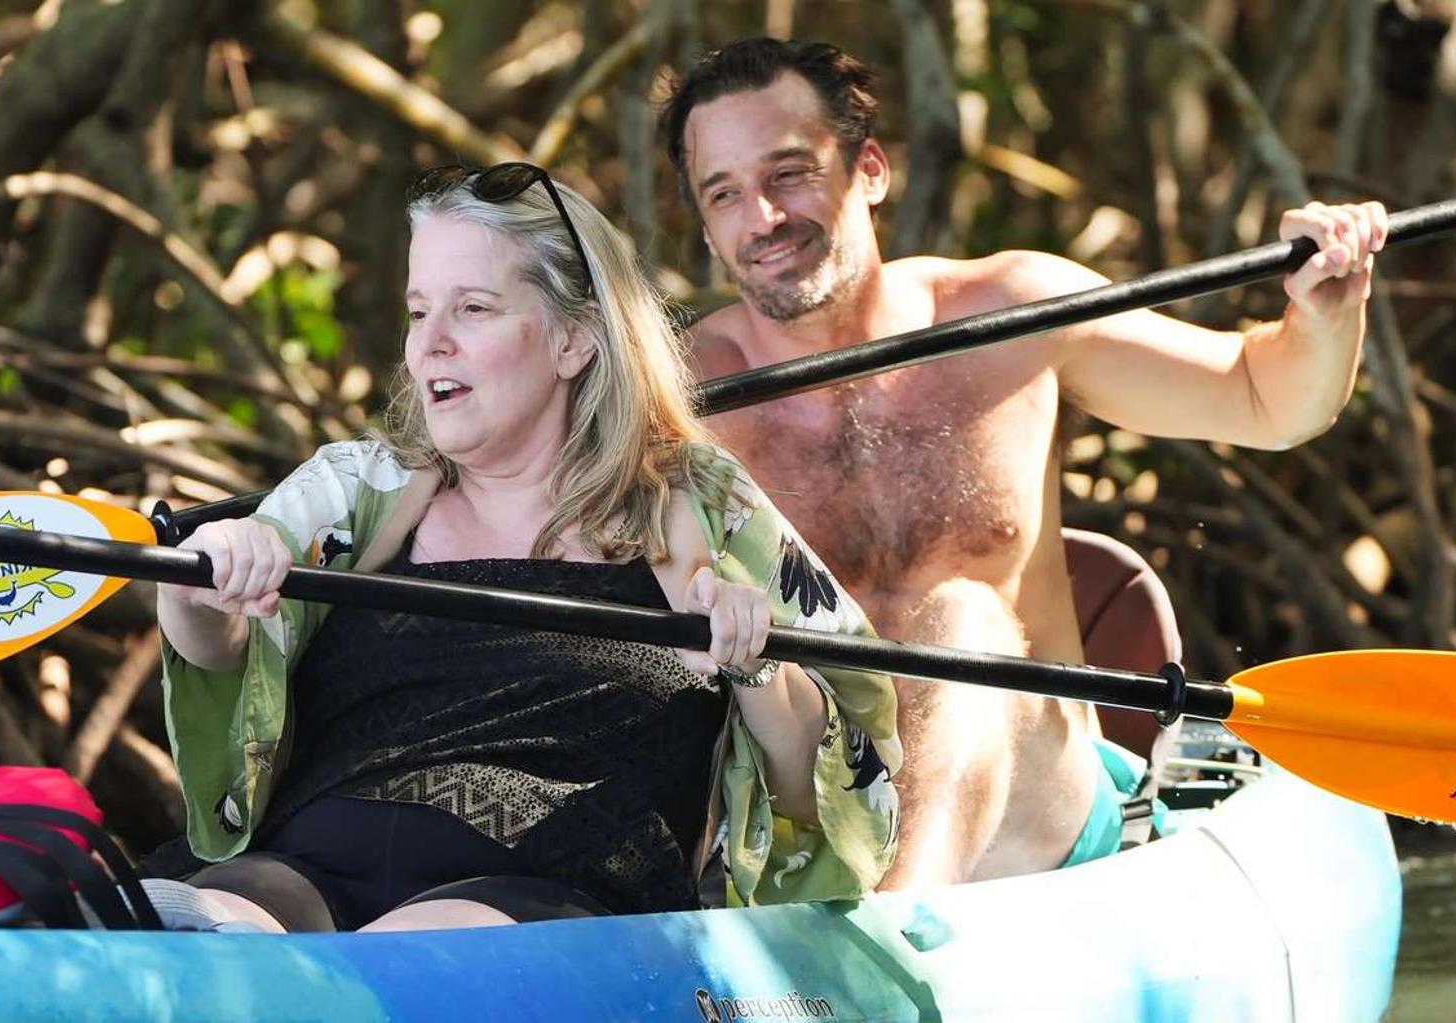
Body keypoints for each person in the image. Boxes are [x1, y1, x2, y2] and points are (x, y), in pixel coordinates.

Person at [657, 38, 1389, 888]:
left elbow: (1266, 399)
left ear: (871, 170)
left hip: (1031, 820)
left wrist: (1327, 310)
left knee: (963, 618)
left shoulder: (1015, 315)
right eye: (725, 194)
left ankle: (893, 939)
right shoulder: (674, 397)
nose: (763, 218)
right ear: (707, 229)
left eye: (789, 174)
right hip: (809, 823)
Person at [153, 162, 902, 932]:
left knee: (408, 962)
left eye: (472, 308)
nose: (429, 345)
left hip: (549, 895)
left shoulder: (701, 502)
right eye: (418, 313)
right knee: (206, 926)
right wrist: (199, 586)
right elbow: (221, 648)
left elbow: (829, 786)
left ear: (573, 338)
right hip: (304, 868)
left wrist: (757, 661)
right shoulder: (359, 487)